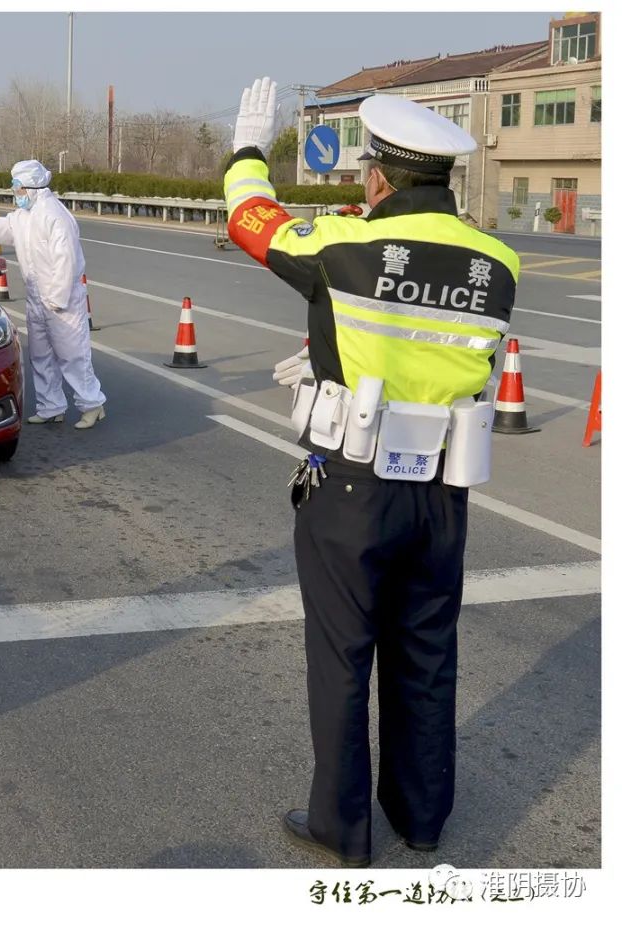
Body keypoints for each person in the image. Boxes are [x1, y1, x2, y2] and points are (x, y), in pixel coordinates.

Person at [224, 79, 519, 867]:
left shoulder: (342, 244)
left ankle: (344, 828)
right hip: (444, 493)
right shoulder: (500, 262)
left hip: (353, 485)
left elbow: (251, 222)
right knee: (427, 654)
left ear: (379, 177)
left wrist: (249, 151)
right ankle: (422, 817)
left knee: (344, 653)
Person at [0, 160, 106, 429]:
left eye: (18, 188)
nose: (15, 194)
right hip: (36, 297)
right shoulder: (22, 218)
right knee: (40, 355)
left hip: (61, 299)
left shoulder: (55, 216)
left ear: (32, 188)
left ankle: (92, 405)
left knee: (72, 355)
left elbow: (65, 261)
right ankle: (51, 406)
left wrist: (57, 299)